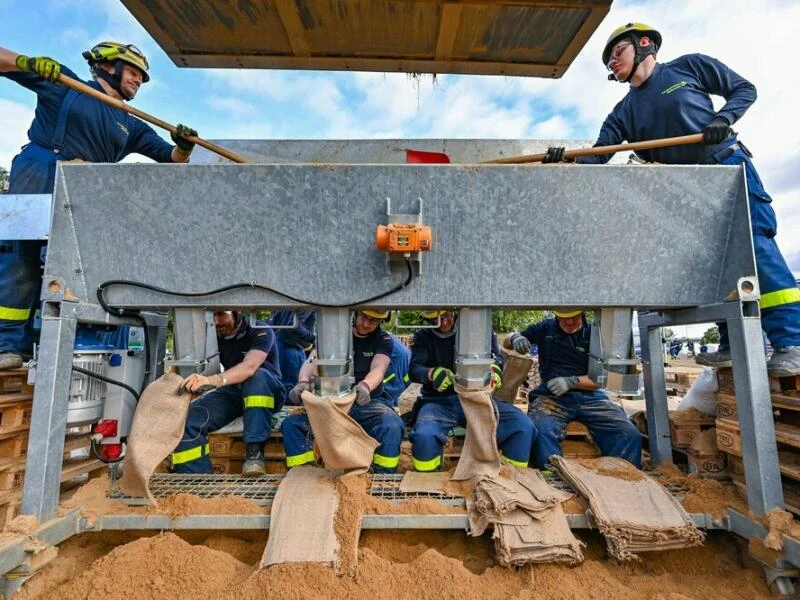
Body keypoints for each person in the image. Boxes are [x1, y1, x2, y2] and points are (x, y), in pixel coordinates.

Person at [543, 22, 800, 377]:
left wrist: (724, 119)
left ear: (643, 44)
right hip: (686, 192)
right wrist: (564, 161)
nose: (613, 63)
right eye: (609, 61)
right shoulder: (623, 112)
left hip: (724, 168)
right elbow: (596, 157)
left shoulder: (688, 68)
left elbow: (744, 89)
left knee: (756, 250)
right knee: (711, 263)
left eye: (617, 53)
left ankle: (792, 342)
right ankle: (728, 342)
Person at [0, 42, 198, 370]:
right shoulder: (64, 84)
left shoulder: (131, 123)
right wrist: (27, 61)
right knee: (19, 260)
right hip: (41, 168)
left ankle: (55, 344)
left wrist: (185, 148)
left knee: (68, 265)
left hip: (87, 190)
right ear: (108, 67)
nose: (139, 80)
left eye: (142, 76)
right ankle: (8, 346)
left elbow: (170, 158)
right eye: (134, 71)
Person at [506, 310, 642, 469]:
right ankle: (552, 476)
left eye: (574, 318)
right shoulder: (545, 328)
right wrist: (515, 338)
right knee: (541, 429)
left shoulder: (594, 334)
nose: (569, 322)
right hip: (552, 397)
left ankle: (622, 473)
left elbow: (603, 378)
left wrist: (572, 382)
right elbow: (507, 342)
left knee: (628, 433)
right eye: (564, 319)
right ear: (557, 315)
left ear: (583, 314)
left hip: (591, 396)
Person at [408, 310, 535, 471]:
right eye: (434, 320)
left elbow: (496, 357)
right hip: (439, 402)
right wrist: (432, 374)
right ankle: (428, 485)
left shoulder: (479, 329)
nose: (443, 322)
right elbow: (414, 369)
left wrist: (495, 370)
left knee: (522, 426)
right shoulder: (424, 336)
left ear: (454, 311)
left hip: (479, 397)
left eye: (445, 316)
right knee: (425, 436)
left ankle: (511, 478)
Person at [282, 310, 404, 472]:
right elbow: (313, 358)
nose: (366, 324)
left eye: (374, 321)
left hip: (366, 403)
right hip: (331, 403)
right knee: (292, 425)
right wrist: (303, 382)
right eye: (364, 317)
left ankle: (383, 476)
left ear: (381, 322)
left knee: (391, 425)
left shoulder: (383, 340)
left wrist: (366, 386)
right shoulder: (334, 336)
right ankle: (303, 474)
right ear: (355, 314)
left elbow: (379, 367)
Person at [172, 311, 285, 476]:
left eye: (222, 314)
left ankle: (254, 453)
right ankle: (195, 479)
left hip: (269, 391)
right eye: (213, 316)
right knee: (190, 417)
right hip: (234, 390)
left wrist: (213, 380)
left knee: (257, 377)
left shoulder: (260, 330)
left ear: (237, 312)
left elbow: (250, 367)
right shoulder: (212, 336)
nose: (216, 321)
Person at [267, 311, 317, 390]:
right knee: (292, 391)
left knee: (281, 388)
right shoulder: (308, 301)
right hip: (291, 350)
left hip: (282, 347)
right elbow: (293, 325)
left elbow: (271, 323)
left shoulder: (291, 301)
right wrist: (314, 338)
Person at [383, 333, 411, 407]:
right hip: (408, 370)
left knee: (387, 392)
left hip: (400, 367)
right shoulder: (387, 337)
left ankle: (390, 408)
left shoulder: (382, 338)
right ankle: (393, 405)